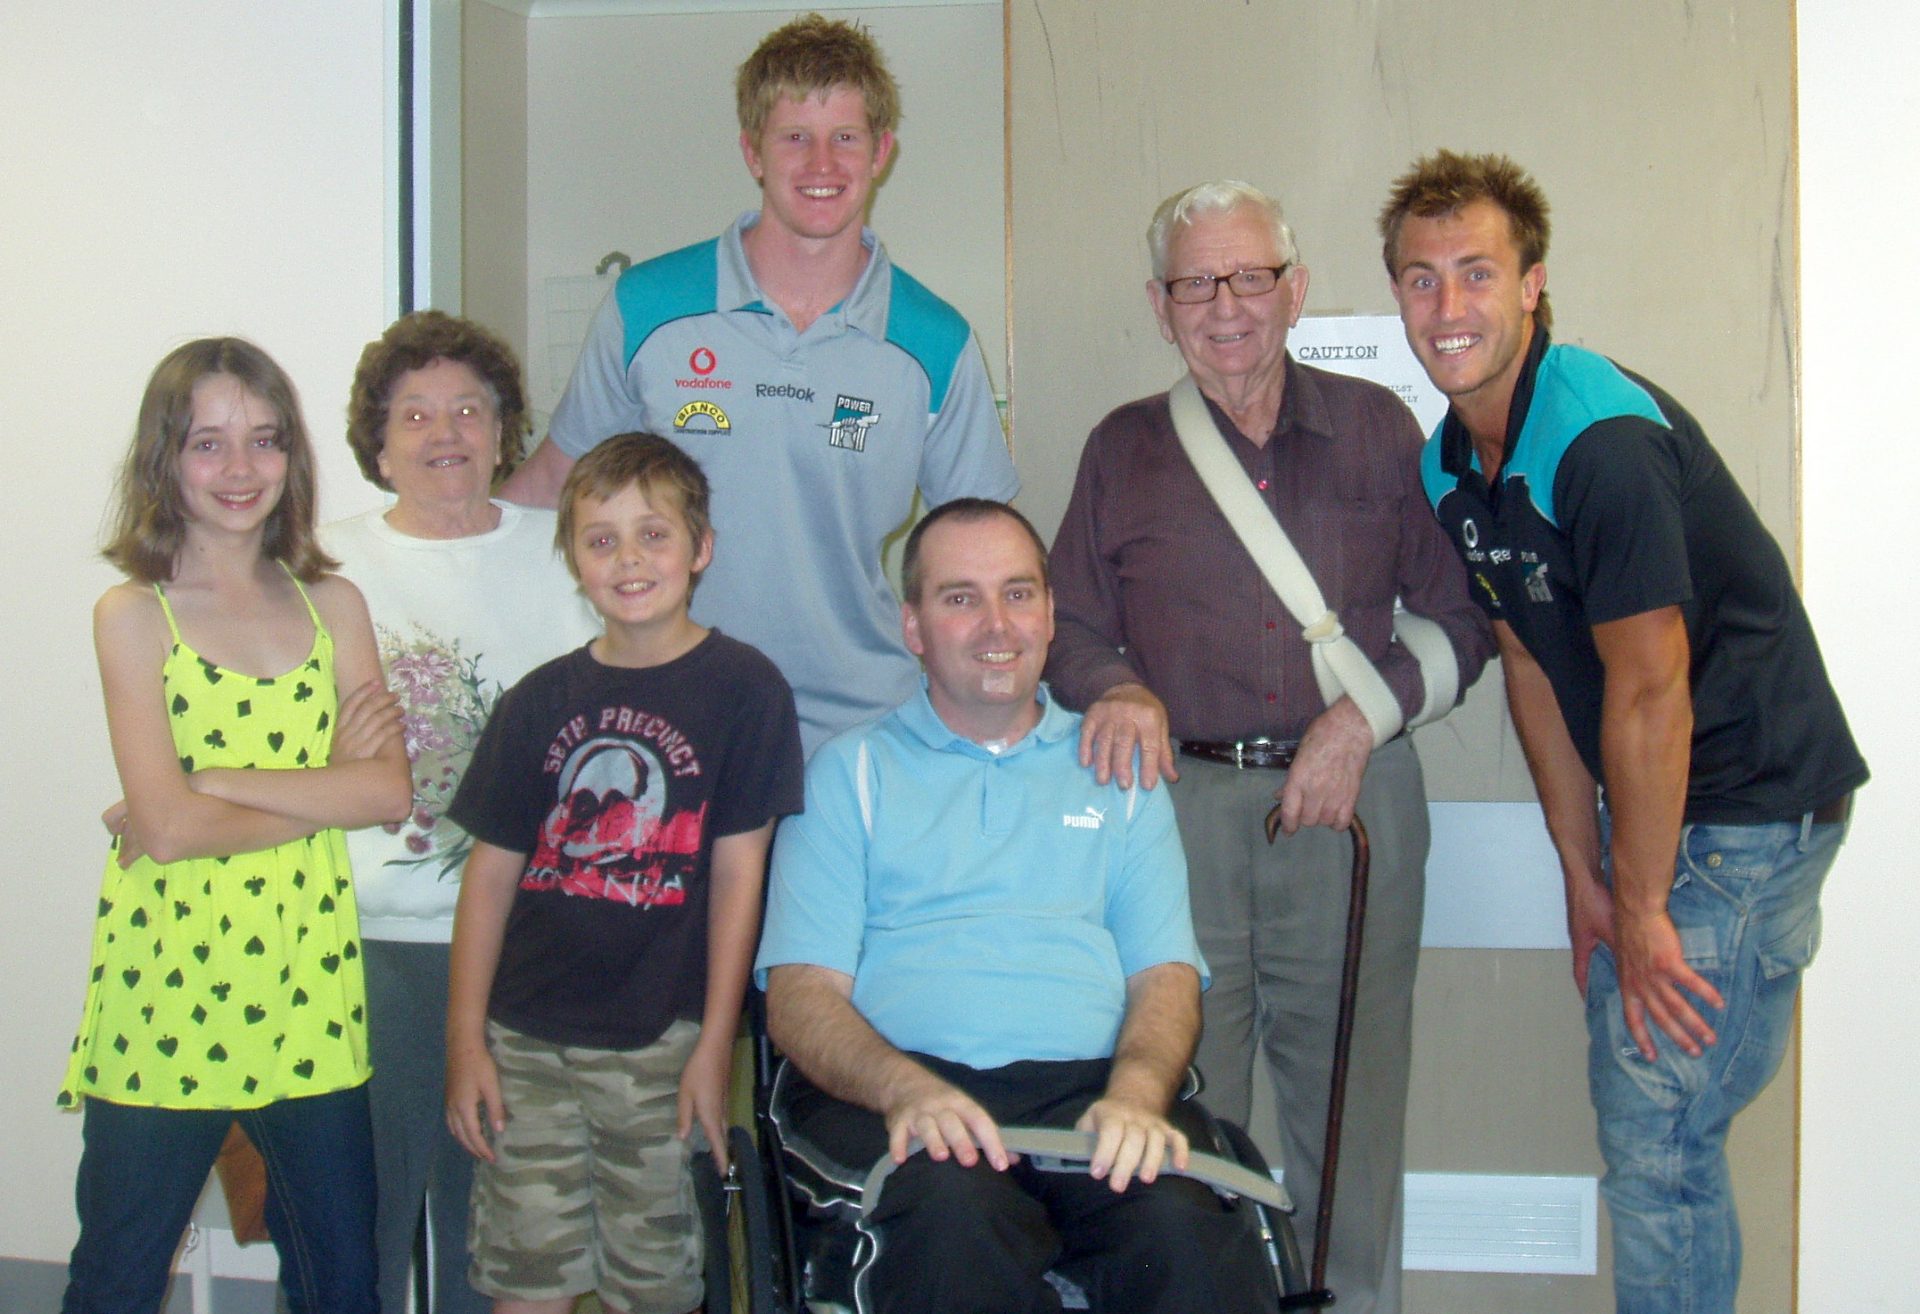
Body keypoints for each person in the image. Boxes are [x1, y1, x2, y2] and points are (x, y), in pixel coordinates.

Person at [1379, 149, 1868, 1314]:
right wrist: (1583, 873)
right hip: (1660, 813)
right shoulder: (1451, 463)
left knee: (1657, 1142)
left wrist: (1642, 904)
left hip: (1748, 813)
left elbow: (1650, 691)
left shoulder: (1599, 442)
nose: (1448, 309)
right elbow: (1537, 671)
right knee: (1654, 1132)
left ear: (1533, 283)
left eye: (1477, 275)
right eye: (1420, 280)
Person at [1043, 181, 1494, 1314]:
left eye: (1251, 276)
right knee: (1184, 1106)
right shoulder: (1123, 448)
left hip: (1353, 811)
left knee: (1350, 1112)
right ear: (1161, 305)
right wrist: (1118, 689)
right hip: (1177, 812)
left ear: (1294, 290)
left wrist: (1360, 720)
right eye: (1198, 282)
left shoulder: (1382, 430)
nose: (1227, 305)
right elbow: (1071, 630)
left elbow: (1463, 625)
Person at [756, 498, 1275, 1314]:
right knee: (953, 1225)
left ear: (1050, 612)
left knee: (1186, 1233)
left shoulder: (1119, 773)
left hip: (1090, 1095)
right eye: (960, 598)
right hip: (905, 1088)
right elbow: (799, 997)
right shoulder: (848, 775)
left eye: (1019, 593)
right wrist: (904, 1090)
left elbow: (1165, 977)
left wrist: (1137, 1096)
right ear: (915, 627)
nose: (997, 624)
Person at [499, 13, 1018, 754]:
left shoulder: (935, 342)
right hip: (671, 716)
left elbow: (984, 557)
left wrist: (1001, 727)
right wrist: (423, 567)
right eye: (794, 136)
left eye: (846, 136)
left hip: (861, 731)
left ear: (882, 153)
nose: (822, 162)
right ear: (752, 151)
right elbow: (555, 480)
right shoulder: (648, 306)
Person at [60, 338, 412, 1314]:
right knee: (116, 1281)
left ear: (292, 458)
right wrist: (315, 786)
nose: (241, 469)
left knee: (340, 1283)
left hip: (308, 990)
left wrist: (211, 776)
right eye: (209, 444)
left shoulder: (333, 602)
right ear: (164, 459)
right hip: (164, 995)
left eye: (263, 441)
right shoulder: (133, 613)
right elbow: (167, 833)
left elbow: (386, 794)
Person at [445, 434, 803, 1314]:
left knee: (658, 1279)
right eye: (601, 540)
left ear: (701, 548)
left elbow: (739, 879)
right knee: (527, 1279)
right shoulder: (538, 701)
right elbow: (487, 881)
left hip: (660, 1041)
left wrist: (716, 1043)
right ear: (572, 558)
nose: (629, 559)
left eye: (653, 534)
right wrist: (464, 1045)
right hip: (524, 1039)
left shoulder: (747, 691)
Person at [322, 310, 601, 1314]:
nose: (446, 434)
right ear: (379, 440)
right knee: (365, 1214)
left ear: (502, 430)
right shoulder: (320, 564)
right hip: (371, 938)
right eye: (416, 414)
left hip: (533, 940)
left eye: (469, 410)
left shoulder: (565, 549)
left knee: (504, 1224)